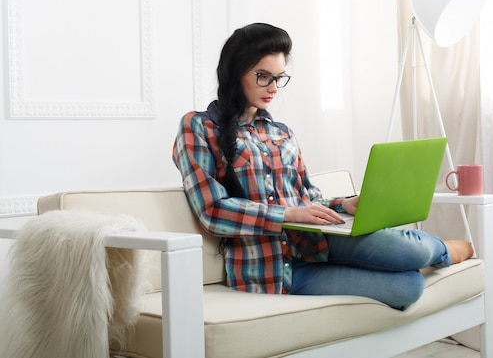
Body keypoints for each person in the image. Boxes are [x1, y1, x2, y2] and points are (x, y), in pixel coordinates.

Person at [172, 22, 473, 310]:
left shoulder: (282, 132)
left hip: (320, 243)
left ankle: (439, 250)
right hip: (273, 270)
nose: (274, 87)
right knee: (408, 287)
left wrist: (343, 204)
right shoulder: (198, 126)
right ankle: (433, 251)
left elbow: (307, 199)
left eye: (279, 77)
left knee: (414, 251)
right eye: (263, 76)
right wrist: (287, 214)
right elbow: (212, 211)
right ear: (235, 73)